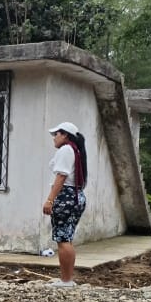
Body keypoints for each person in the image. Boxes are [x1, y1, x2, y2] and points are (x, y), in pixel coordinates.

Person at [42, 121, 88, 286]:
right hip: (76, 196)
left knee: (63, 239)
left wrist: (50, 200)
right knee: (66, 238)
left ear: (65, 135)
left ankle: (66, 280)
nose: (54, 137)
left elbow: (61, 176)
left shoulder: (66, 150)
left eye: (57, 134)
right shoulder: (75, 150)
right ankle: (67, 279)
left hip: (66, 196)